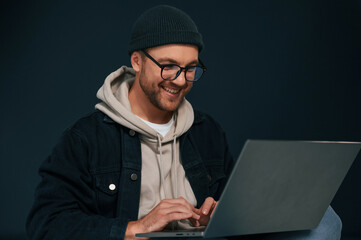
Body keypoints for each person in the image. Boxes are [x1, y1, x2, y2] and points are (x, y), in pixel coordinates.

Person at [26, 5, 342, 240]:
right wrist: (135, 228)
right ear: (137, 61)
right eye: (169, 67)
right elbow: (45, 222)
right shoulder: (86, 138)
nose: (180, 80)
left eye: (191, 68)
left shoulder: (207, 132)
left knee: (326, 221)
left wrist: (219, 214)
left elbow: (229, 204)